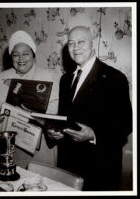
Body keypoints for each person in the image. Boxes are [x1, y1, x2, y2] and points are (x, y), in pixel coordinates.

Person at [47, 26, 132, 191]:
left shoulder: (115, 78)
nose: (75, 47)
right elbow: (65, 118)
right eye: (71, 43)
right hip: (68, 166)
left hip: (100, 169)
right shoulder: (65, 80)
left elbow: (126, 123)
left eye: (81, 42)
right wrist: (55, 131)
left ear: (93, 43)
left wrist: (94, 135)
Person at [0, 30, 59, 168]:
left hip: (40, 145)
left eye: (25, 54)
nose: (21, 59)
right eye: (16, 54)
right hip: (11, 144)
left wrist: (28, 110)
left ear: (33, 55)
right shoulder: (2, 77)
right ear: (11, 57)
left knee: (40, 184)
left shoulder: (50, 76)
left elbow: (55, 109)